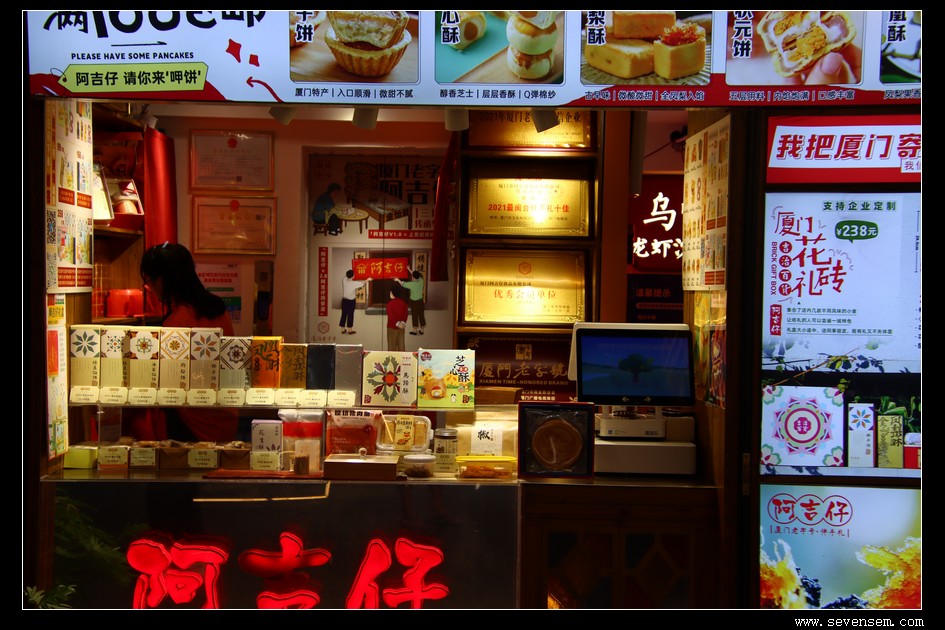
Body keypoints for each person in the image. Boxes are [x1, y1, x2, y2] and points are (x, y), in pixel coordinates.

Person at [136, 242, 239, 443]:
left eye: (148, 281)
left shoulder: (177, 322)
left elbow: (169, 383)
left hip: (193, 424)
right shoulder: (218, 309)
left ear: (162, 280)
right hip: (226, 416)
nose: (150, 289)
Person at [395, 266, 426, 335]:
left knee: (415, 315)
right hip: (421, 301)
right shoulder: (421, 281)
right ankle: (422, 330)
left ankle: (415, 331)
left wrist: (397, 279)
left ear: (413, 277)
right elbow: (415, 274)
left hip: (414, 302)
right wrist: (409, 269)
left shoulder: (412, 284)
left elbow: (402, 283)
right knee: (421, 315)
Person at [339, 269, 369, 335]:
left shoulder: (344, 279)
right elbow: (363, 283)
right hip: (351, 302)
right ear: (352, 276)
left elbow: (348, 276)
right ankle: (350, 330)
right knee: (350, 315)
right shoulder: (353, 283)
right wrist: (368, 279)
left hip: (344, 300)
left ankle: (342, 330)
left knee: (343, 314)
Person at [385, 284, 409, 352]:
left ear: (393, 293)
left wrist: (397, 323)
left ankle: (392, 359)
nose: (390, 294)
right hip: (402, 327)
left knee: (391, 346)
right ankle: (402, 358)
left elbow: (391, 316)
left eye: (390, 293)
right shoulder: (403, 303)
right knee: (401, 345)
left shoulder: (390, 304)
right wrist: (402, 323)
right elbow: (406, 314)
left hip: (392, 327)